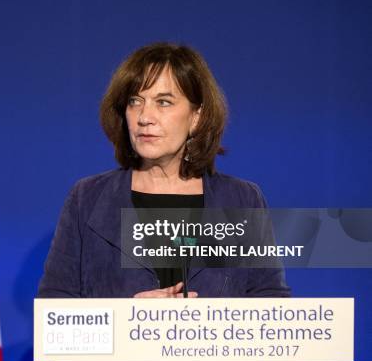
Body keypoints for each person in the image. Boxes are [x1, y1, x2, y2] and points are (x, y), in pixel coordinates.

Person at [37, 43, 290, 298]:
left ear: (196, 117)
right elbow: (54, 310)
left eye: (163, 102)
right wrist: (126, 317)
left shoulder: (241, 199)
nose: (145, 116)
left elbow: (272, 302)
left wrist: (214, 322)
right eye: (135, 101)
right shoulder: (87, 198)